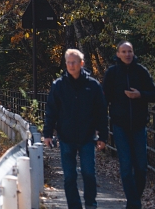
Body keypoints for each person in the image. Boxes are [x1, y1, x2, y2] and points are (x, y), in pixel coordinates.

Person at [44, 48, 108, 209]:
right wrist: (48, 133)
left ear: (81, 63)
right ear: (65, 64)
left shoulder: (92, 85)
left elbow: (101, 111)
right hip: (66, 136)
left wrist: (103, 136)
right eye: (68, 62)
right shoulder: (58, 85)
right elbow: (51, 110)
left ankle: (90, 205)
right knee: (69, 177)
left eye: (74, 62)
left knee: (88, 173)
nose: (71, 65)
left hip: (87, 137)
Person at [103, 41, 155, 209]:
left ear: (133, 53)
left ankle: (133, 201)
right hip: (120, 125)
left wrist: (140, 95)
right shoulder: (112, 73)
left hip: (138, 125)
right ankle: (134, 204)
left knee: (141, 167)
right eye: (124, 51)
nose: (127, 54)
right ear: (118, 54)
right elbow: (103, 99)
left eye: (130, 51)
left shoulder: (141, 71)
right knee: (126, 166)